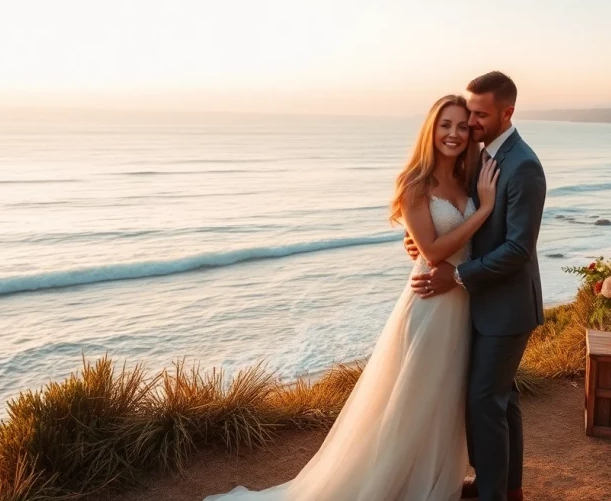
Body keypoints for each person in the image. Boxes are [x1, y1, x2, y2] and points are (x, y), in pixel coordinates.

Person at [204, 93, 499, 501]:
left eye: (462, 126)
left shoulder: (468, 180)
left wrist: (455, 246)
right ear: (431, 130)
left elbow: (459, 245)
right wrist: (482, 212)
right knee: (410, 401)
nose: (454, 134)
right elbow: (431, 252)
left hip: (460, 302)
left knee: (444, 401)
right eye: (445, 125)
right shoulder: (415, 183)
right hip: (429, 304)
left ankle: (429, 483)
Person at [407, 71, 547, 501]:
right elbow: (451, 214)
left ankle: (492, 493)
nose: (470, 123)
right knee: (503, 399)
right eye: (468, 113)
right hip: (479, 303)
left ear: (508, 113)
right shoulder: (481, 157)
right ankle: (507, 488)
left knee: (484, 401)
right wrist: (419, 239)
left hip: (506, 307)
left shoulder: (523, 166)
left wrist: (457, 275)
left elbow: (518, 249)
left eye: (479, 115)